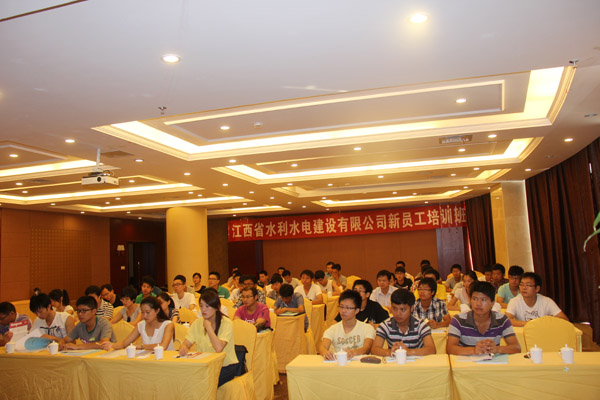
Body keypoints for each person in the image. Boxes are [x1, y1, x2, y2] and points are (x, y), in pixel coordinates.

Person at [179, 290, 238, 387]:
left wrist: (209, 328)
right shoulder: (197, 323)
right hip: (204, 365)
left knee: (201, 383)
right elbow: (187, 343)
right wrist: (184, 347)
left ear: (217, 307)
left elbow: (219, 348)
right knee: (184, 378)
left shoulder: (226, 323)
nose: (203, 310)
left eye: (207, 306)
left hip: (224, 366)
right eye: (201, 306)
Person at [447, 281, 521, 355]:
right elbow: (450, 348)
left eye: (483, 300)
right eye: (475, 299)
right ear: (469, 300)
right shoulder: (458, 320)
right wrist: (474, 350)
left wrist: (497, 349)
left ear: (492, 303)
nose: (478, 304)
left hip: (493, 361)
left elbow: (516, 347)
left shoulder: (502, 319)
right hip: (467, 361)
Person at [371, 289, 436, 356]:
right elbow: (374, 349)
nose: (398, 313)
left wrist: (409, 351)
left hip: (417, 362)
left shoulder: (421, 325)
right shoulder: (385, 325)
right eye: (395, 308)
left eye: (403, 309)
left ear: (412, 308)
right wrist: (390, 352)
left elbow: (431, 349)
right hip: (394, 361)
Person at [102, 297, 174, 351]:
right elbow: (124, 343)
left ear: (157, 311)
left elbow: (163, 346)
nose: (144, 315)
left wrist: (142, 346)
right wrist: (111, 345)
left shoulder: (168, 324)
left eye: (148, 312)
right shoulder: (141, 325)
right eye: (142, 312)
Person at [319, 290, 375, 360]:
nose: (343, 311)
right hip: (339, 363)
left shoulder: (367, 328)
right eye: (341, 307)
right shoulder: (333, 329)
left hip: (359, 364)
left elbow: (366, 348)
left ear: (357, 310)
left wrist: (353, 352)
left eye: (348, 308)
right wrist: (325, 352)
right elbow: (323, 346)